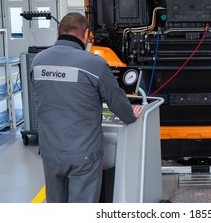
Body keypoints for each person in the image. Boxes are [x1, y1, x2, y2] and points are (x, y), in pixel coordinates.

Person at [31, 12, 142, 203]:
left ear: (59, 32)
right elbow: (116, 100)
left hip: (51, 152)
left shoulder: (38, 61)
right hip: (83, 154)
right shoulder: (94, 63)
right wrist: (130, 115)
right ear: (86, 34)